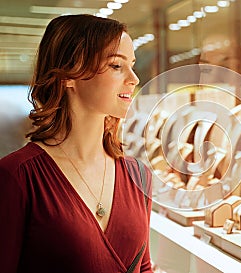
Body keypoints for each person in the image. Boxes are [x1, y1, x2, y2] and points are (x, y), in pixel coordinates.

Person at [0, 14, 153, 273]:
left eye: (133, 65)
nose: (134, 78)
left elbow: (144, 267)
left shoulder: (138, 175)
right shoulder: (17, 177)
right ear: (69, 75)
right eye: (117, 66)